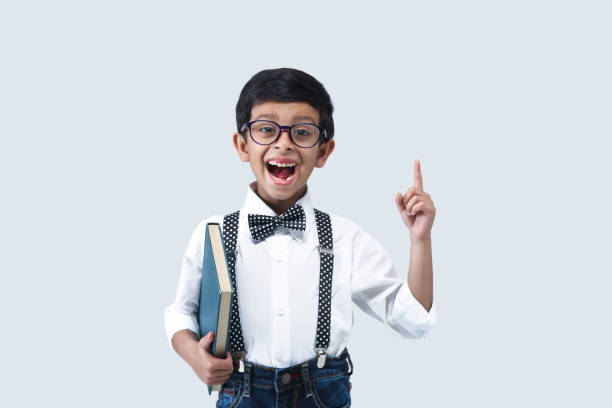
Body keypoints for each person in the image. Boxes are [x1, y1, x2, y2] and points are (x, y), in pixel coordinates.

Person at [163, 67, 437, 407]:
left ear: (323, 152)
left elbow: (412, 320)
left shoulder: (345, 238)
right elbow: (180, 312)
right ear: (241, 144)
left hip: (322, 394)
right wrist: (193, 355)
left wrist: (420, 240)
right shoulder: (213, 233)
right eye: (266, 129)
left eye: (302, 133)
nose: (283, 143)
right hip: (240, 395)